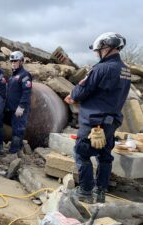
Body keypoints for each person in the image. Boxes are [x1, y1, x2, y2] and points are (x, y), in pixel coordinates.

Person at [65, 32, 131, 203]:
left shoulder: (101, 68)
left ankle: (85, 192)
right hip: (111, 122)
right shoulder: (126, 70)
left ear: (106, 48)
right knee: (105, 156)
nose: (97, 54)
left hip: (94, 122)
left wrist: (72, 96)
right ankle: (100, 192)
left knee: (82, 154)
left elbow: (82, 90)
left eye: (98, 50)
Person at [6, 51, 32, 154]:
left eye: (15, 61)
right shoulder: (13, 76)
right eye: (11, 61)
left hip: (19, 109)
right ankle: (19, 146)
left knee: (18, 129)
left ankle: (14, 151)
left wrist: (21, 106)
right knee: (15, 128)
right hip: (12, 108)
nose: (13, 63)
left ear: (21, 61)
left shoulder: (24, 75)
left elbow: (27, 92)